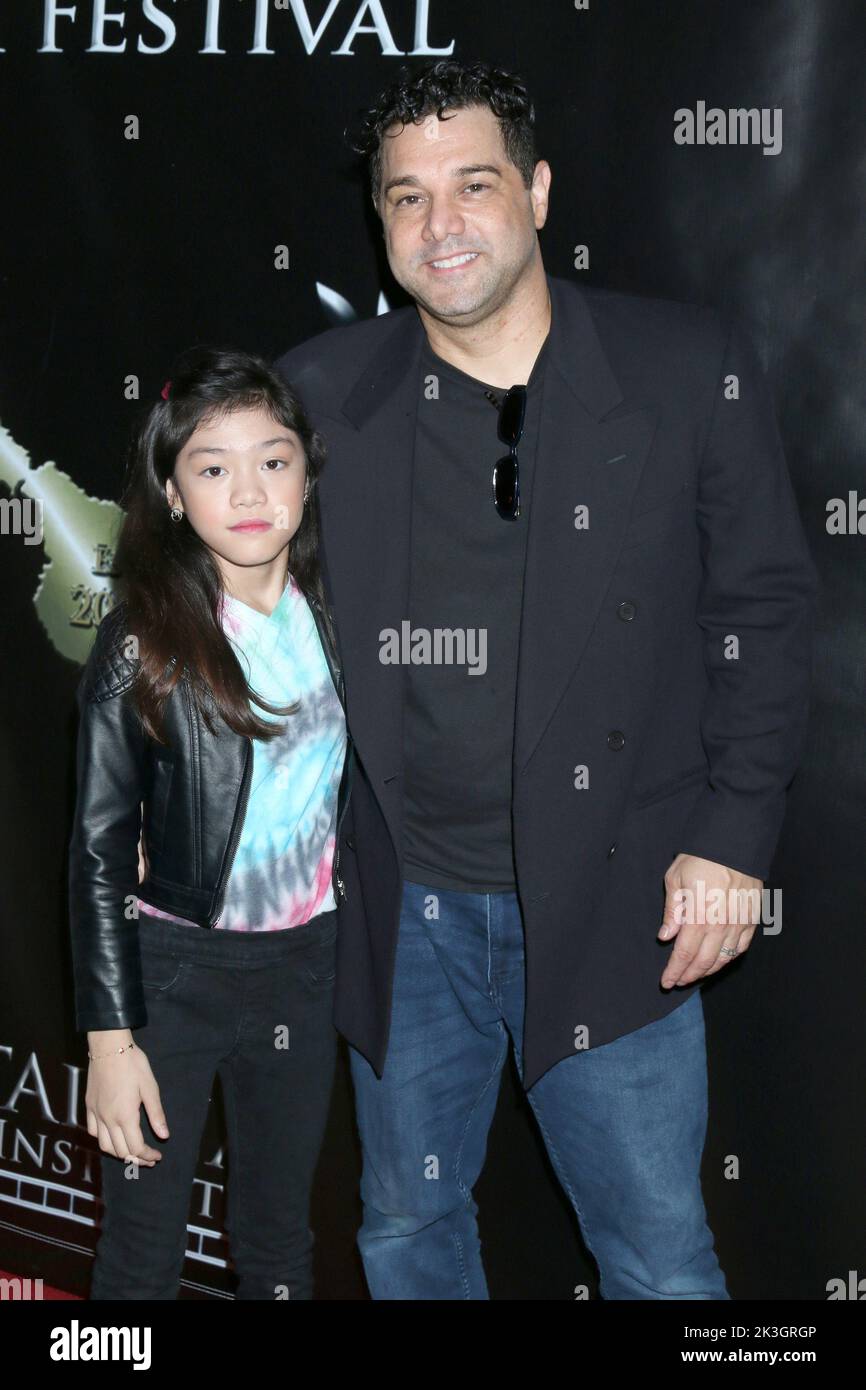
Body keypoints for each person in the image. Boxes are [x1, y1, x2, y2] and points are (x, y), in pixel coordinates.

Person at [273, 58, 820, 1299]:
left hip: (614, 900)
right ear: (379, 223)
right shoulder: (314, 394)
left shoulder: (682, 370)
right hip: (397, 908)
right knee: (405, 1233)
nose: (439, 224)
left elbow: (764, 611)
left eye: (471, 184)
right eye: (405, 198)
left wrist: (731, 836)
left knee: (656, 1257)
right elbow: (236, 627)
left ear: (538, 191)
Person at [67, 347, 353, 1300]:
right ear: (173, 491)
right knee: (141, 1260)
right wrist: (111, 1045)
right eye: (213, 465)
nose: (249, 490)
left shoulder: (341, 613)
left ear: (308, 475)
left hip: (305, 974)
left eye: (273, 460)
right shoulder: (142, 639)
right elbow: (100, 851)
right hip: (175, 981)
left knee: (278, 1246)